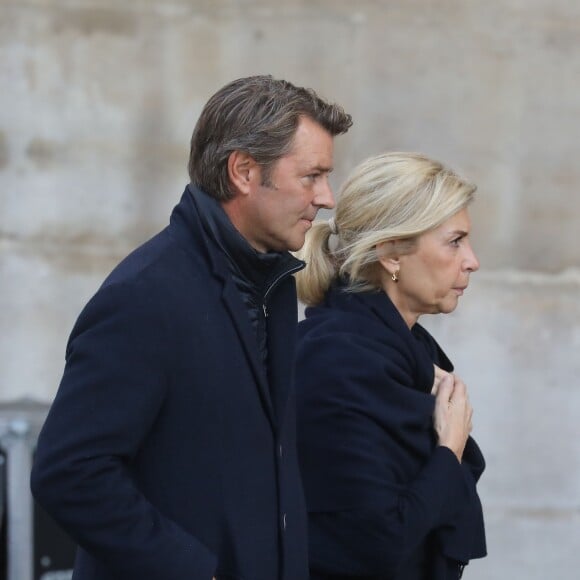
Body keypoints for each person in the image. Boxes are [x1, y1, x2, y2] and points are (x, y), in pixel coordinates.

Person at [30, 75, 352, 580]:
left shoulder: (276, 283)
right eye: (311, 176)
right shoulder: (145, 294)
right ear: (244, 171)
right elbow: (69, 473)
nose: (326, 197)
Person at [294, 152, 487, 580]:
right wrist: (448, 449)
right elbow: (377, 544)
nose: (471, 260)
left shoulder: (407, 356)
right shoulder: (336, 363)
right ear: (391, 254)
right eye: (454, 241)